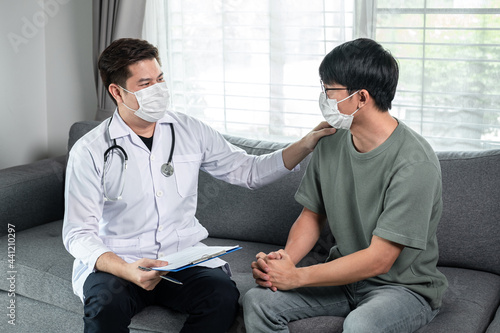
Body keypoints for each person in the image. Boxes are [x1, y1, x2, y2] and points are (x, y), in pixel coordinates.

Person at [62, 38, 334, 333]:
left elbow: (248, 171)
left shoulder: (189, 130)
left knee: (221, 297)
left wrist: (305, 144)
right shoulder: (90, 150)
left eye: (160, 79)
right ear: (117, 92)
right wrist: (124, 268)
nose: (158, 89)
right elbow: (78, 233)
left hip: (181, 258)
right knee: (104, 305)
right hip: (122, 261)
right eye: (145, 84)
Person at [243, 38, 448, 333]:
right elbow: (311, 216)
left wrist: (298, 277)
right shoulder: (330, 141)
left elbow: (380, 259)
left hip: (403, 288)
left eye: (329, 90)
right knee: (257, 301)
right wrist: (283, 263)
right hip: (343, 279)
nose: (323, 97)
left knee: (361, 325)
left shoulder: (415, 162)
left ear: (361, 98)